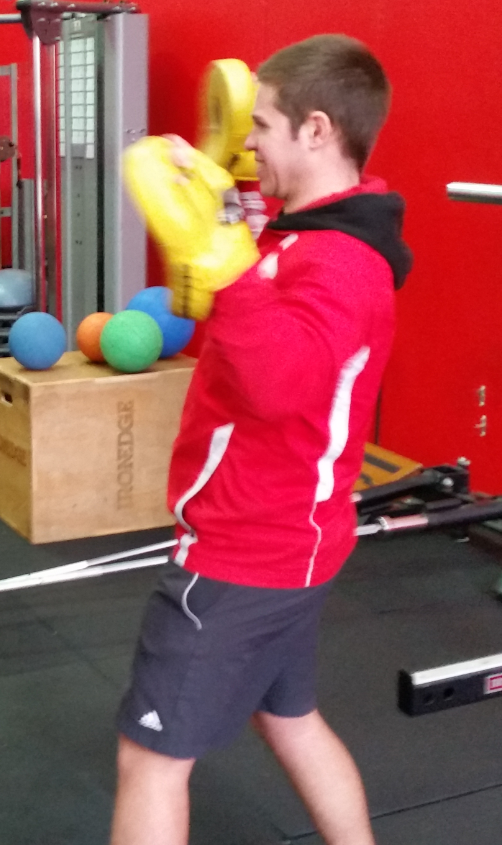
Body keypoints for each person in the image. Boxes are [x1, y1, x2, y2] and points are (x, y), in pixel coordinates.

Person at [111, 35, 412, 845]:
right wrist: (212, 192)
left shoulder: (340, 262)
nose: (248, 144)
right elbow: (260, 294)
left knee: (149, 760)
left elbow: (278, 386)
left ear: (316, 130)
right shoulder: (308, 232)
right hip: (291, 538)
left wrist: (222, 259)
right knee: (288, 718)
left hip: (245, 548)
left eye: (263, 126)